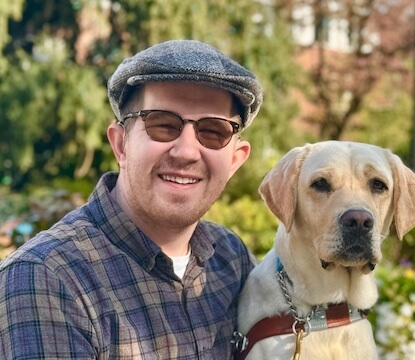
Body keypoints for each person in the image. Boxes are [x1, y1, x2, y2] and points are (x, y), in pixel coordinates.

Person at [0, 39, 263, 359]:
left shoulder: (232, 259)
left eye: (213, 131)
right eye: (163, 124)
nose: (186, 151)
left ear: (235, 159)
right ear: (121, 144)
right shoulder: (47, 278)